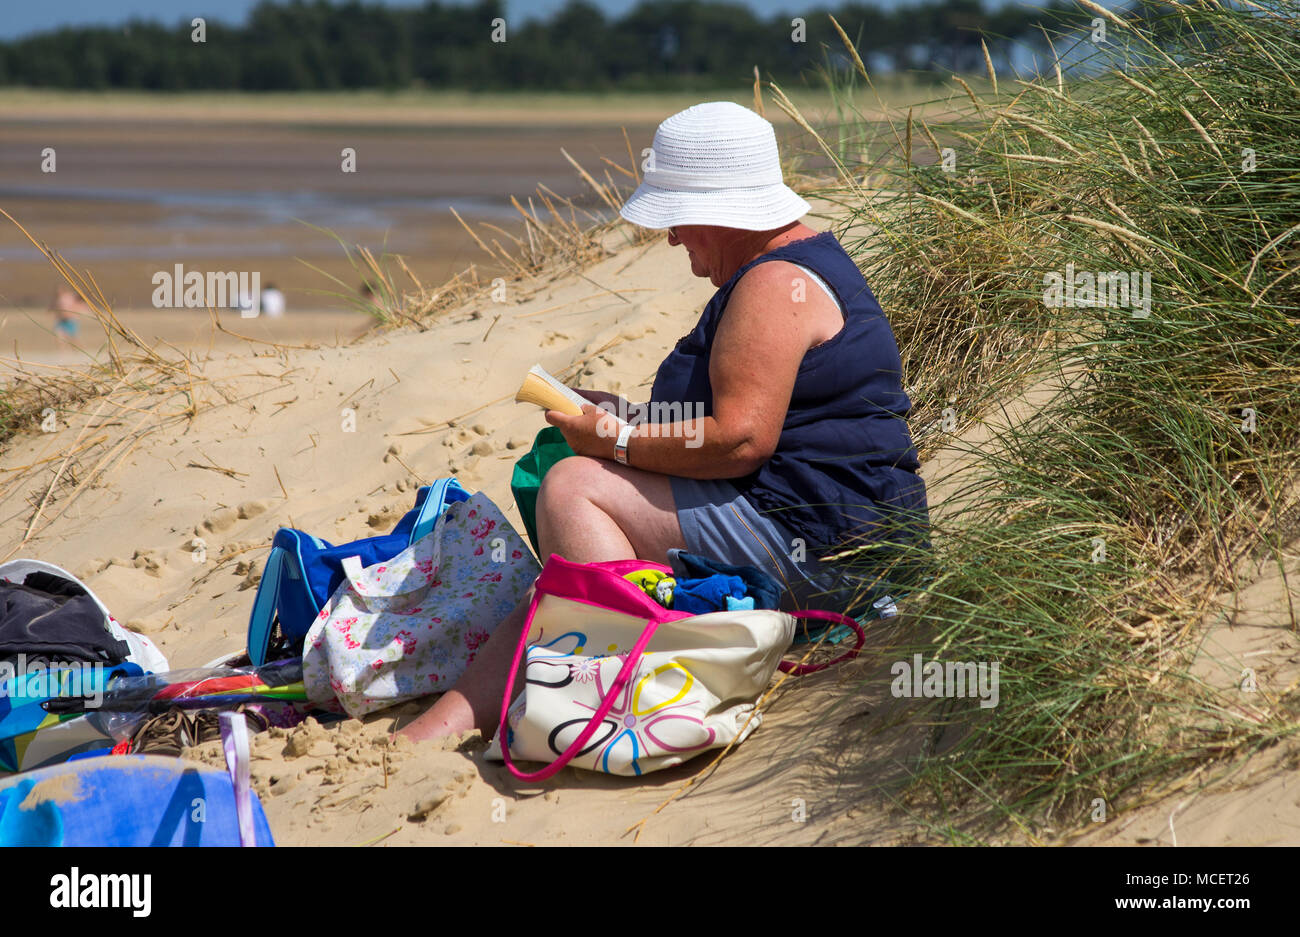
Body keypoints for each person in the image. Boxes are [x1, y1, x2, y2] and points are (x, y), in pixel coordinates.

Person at [400, 101, 928, 742]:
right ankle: (434, 733)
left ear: (716, 210)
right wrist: (627, 418)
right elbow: (738, 423)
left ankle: (611, 698)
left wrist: (616, 440)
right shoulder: (791, 270)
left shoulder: (775, 284)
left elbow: (739, 439)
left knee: (572, 487)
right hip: (825, 534)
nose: (671, 236)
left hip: (826, 546)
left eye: (676, 217)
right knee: (565, 577)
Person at [48, 284, 89, 348]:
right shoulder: (57, 299)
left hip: (71, 320)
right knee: (58, 336)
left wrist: (83, 310)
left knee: (74, 339)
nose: (58, 291)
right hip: (60, 320)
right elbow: (53, 306)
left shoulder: (70, 297)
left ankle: (82, 350)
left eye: (60, 290)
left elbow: (81, 302)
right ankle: (62, 353)